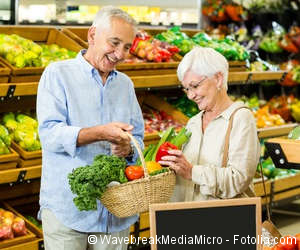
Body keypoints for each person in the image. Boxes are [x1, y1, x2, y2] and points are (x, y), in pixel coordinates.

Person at [36, 6, 144, 250]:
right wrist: (99, 133)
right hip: (68, 213)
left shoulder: (125, 85)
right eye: (114, 43)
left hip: (115, 214)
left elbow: (138, 139)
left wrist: (128, 149)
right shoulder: (58, 74)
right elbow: (50, 135)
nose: (120, 54)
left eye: (127, 47)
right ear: (92, 35)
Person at [159, 47, 260, 201]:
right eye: (186, 89)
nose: (191, 95)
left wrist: (192, 172)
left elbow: (239, 179)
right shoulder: (193, 123)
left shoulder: (241, 119)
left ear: (218, 79)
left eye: (195, 86)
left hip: (222, 220)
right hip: (188, 218)